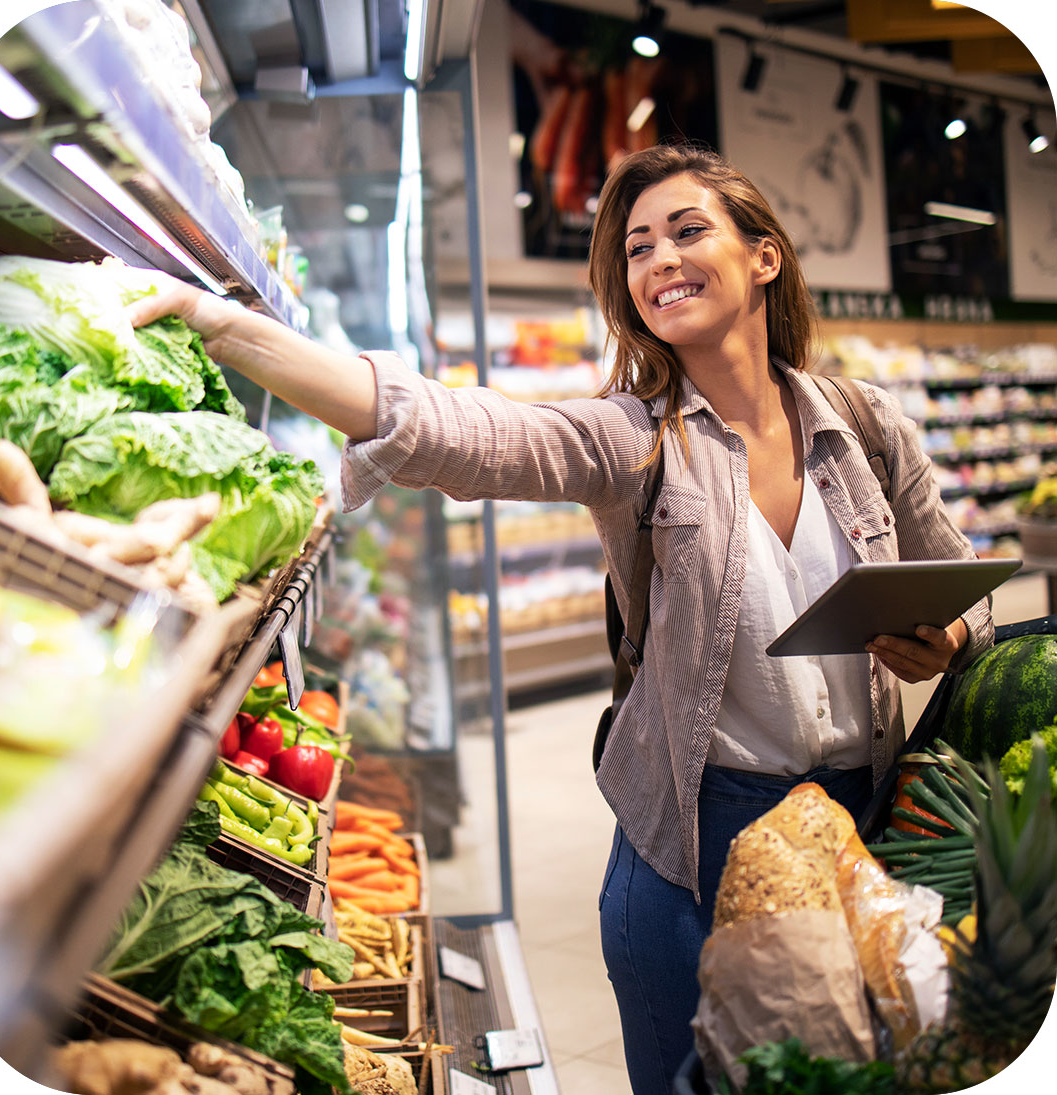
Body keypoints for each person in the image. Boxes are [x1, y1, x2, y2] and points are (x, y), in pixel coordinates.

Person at [127, 143, 994, 1095]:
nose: (658, 258)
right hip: (691, 843)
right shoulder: (635, 436)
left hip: (859, 828)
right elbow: (467, 433)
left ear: (764, 256)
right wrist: (220, 325)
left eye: (686, 230)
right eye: (636, 247)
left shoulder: (865, 427)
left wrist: (945, 637)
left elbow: (959, 583)